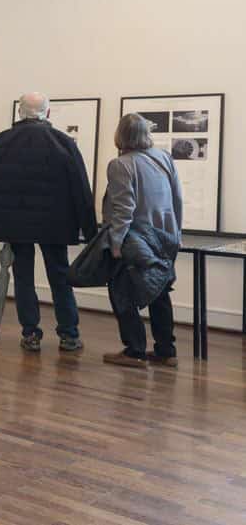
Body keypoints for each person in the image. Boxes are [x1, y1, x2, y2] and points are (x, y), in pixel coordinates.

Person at [0, 92, 96, 353]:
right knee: (60, 277)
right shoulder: (63, 143)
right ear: (48, 113)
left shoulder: (1, 142)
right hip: (56, 225)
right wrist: (90, 231)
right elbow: (81, 190)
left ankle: (30, 333)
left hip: (15, 225)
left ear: (19, 112)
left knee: (23, 279)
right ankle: (69, 335)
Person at [102, 114, 183, 369]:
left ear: (121, 135)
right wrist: (176, 234)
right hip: (165, 237)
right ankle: (165, 350)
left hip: (136, 239)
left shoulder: (120, 164)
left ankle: (135, 351)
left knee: (121, 290)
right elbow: (177, 199)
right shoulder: (163, 158)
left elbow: (124, 208)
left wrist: (116, 243)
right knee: (159, 290)